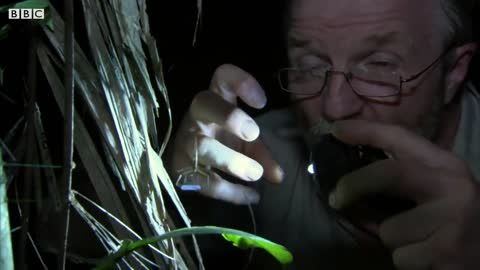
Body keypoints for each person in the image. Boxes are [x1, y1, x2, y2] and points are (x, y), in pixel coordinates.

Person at [167, 0, 480, 269]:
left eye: (380, 64)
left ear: (453, 73)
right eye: (311, 66)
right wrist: (180, 182)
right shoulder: (258, 153)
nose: (335, 107)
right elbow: (190, 220)